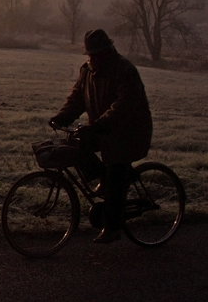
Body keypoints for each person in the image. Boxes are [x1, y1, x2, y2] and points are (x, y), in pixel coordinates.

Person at [49, 29, 153, 244]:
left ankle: (112, 227)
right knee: (77, 144)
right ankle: (101, 177)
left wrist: (99, 125)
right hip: (103, 129)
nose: (93, 58)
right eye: (90, 54)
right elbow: (77, 97)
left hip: (129, 132)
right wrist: (61, 117)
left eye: (97, 53)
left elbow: (123, 107)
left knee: (116, 171)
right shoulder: (87, 71)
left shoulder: (125, 70)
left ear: (108, 50)